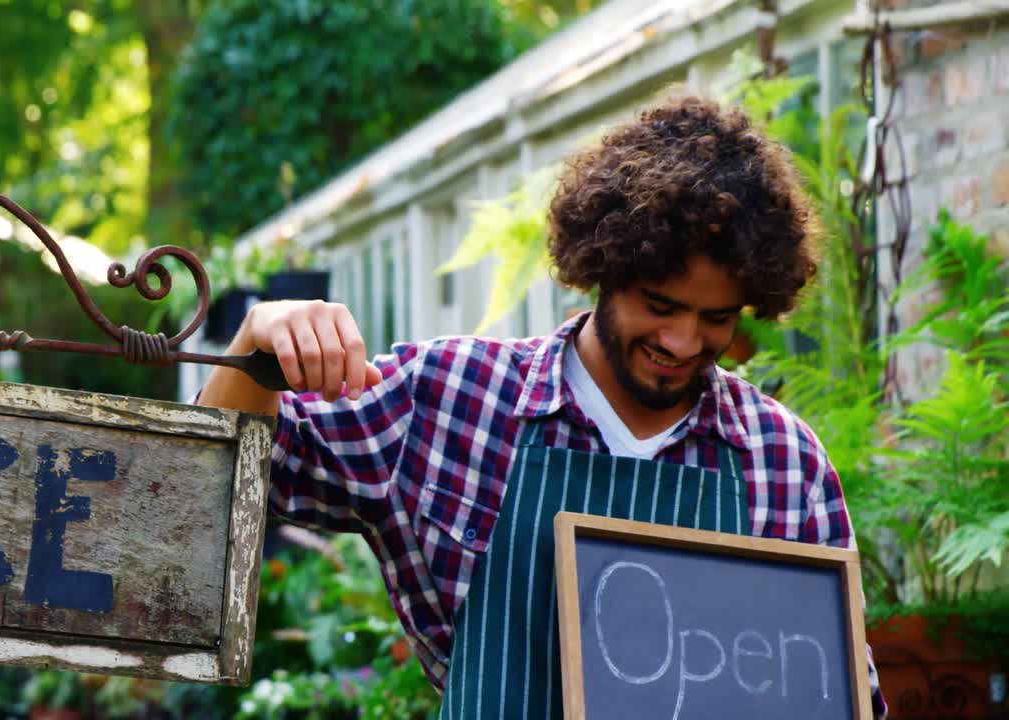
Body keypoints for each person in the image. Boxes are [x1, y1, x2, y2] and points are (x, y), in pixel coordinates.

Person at [197, 95, 886, 719]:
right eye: (659, 305)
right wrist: (257, 343)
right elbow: (218, 484)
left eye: (716, 319)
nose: (682, 341)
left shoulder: (780, 461)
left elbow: (838, 693)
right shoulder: (448, 400)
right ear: (604, 267)